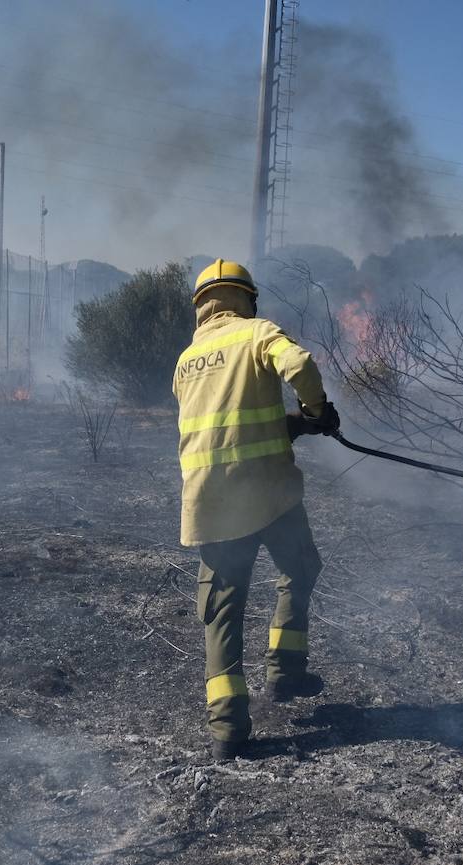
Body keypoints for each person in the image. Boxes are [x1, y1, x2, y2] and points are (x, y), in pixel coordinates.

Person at [172, 258, 340, 761]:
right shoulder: (257, 332)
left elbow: (218, 424)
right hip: (268, 493)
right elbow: (300, 365)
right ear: (247, 298)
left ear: (202, 305)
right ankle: (285, 674)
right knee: (300, 567)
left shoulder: (186, 359)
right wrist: (314, 413)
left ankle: (227, 730)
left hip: (209, 501)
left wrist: (287, 425)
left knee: (222, 610)